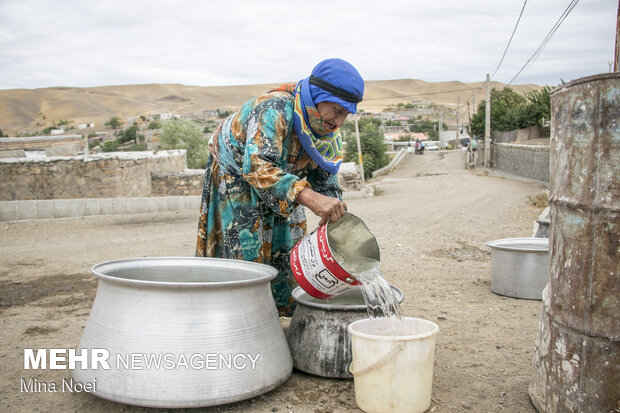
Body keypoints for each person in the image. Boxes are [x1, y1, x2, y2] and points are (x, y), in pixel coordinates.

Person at [195, 58, 364, 316]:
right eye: (337, 110)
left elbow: (325, 179)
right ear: (319, 96)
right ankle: (242, 321)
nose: (339, 122)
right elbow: (257, 166)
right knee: (247, 251)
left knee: (289, 247)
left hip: (284, 178)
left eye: (346, 114)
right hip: (238, 175)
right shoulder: (274, 109)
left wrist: (337, 216)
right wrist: (307, 196)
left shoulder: (324, 128)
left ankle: (277, 315)